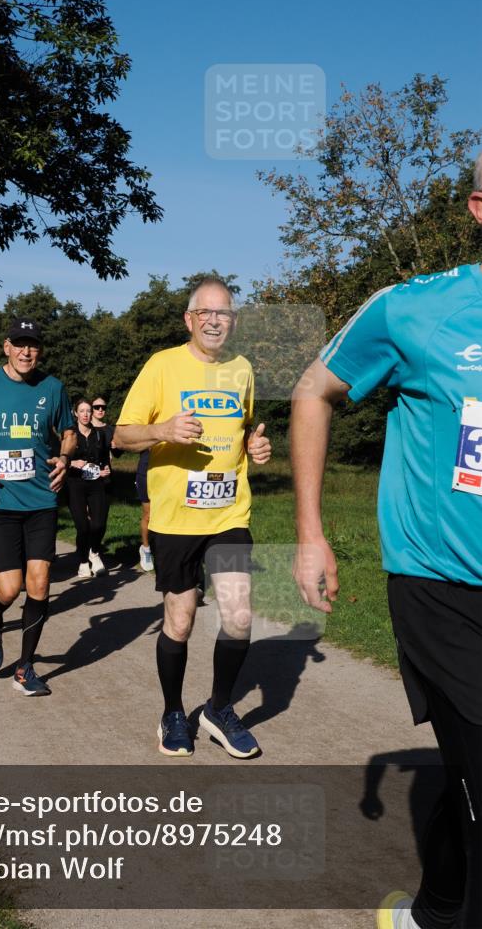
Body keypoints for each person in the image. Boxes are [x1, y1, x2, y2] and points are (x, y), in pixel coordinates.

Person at [291, 160, 482, 929]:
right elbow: (314, 388)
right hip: (444, 590)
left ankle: (432, 908)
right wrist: (310, 532)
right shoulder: (415, 309)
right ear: (477, 206)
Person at [114, 277, 272, 757]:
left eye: (222, 313)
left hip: (229, 513)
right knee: (180, 621)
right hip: (176, 519)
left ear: (233, 321)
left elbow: (244, 428)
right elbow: (121, 436)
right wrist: (162, 429)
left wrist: (255, 445)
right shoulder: (162, 366)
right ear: (189, 320)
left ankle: (218, 709)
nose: (213, 320)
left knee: (240, 617)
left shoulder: (242, 369)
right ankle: (172, 714)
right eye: (204, 313)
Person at [0, 317, 76, 696]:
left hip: (42, 499)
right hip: (1, 499)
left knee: (39, 583)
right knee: (10, 587)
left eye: (34, 345)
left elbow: (68, 432)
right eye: (20, 344)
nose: (27, 352)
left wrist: (66, 457)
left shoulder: (53, 388)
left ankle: (25, 667)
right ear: (6, 346)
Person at [67, 398, 111, 577]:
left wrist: (106, 470)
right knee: (82, 526)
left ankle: (94, 552)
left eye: (88, 411)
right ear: (76, 413)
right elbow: (58, 459)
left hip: (96, 483)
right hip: (75, 484)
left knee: (99, 524)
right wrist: (71, 462)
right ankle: (83, 561)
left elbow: (105, 460)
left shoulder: (100, 434)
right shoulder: (69, 434)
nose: (85, 414)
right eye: (82, 411)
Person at [135, 449, 154, 572]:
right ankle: (146, 549)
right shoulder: (146, 429)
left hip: (168, 474)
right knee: (149, 515)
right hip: (145, 473)